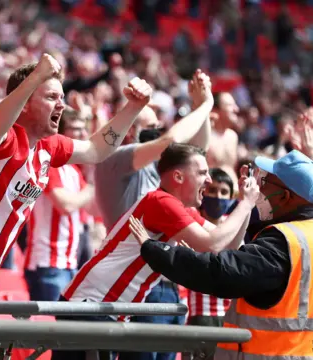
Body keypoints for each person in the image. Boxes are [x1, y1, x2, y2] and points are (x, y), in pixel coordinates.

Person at [0, 53, 153, 360]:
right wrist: (36, 76)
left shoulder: (49, 146)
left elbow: (97, 149)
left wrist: (133, 108)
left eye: (61, 97)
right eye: (51, 97)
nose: (61, 105)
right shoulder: (3, 137)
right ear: (24, 101)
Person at [52, 142, 260, 360]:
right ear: (178, 177)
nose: (208, 180)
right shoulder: (162, 202)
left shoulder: (177, 207)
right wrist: (245, 203)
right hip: (91, 305)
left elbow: (228, 246)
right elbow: (211, 243)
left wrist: (245, 204)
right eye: (202, 173)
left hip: (100, 307)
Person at [132, 150, 313, 360]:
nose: (260, 190)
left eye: (266, 183)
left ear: (286, 197)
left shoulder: (284, 242)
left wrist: (156, 251)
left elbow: (220, 272)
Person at [90, 69, 212, 360]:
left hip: (167, 282)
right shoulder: (114, 163)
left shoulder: (166, 175)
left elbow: (199, 151)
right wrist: (206, 105)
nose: (159, 128)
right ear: (132, 131)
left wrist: (201, 107)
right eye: (151, 124)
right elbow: (168, 143)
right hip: (137, 284)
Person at [24, 108, 94, 301]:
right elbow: (65, 204)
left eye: (84, 129)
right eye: (76, 130)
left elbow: (91, 208)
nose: (83, 135)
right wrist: (91, 188)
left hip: (69, 263)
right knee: (52, 330)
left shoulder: (73, 170)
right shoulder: (50, 164)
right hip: (48, 263)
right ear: (62, 134)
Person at [185, 168, 235, 360]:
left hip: (230, 315)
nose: (218, 197)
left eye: (224, 192)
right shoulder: (190, 224)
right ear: (203, 192)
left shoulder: (235, 225)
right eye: (212, 190)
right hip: (200, 313)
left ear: (232, 197)